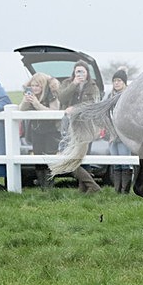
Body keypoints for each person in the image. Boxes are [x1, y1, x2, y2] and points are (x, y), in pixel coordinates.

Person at [58, 61, 101, 193]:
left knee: (82, 158)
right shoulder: (67, 83)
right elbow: (61, 98)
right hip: (68, 127)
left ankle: (84, 189)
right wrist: (74, 84)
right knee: (70, 158)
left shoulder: (93, 86)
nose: (80, 74)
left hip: (85, 127)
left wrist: (75, 109)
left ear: (87, 73)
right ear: (74, 72)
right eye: (78, 71)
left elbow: (93, 103)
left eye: (82, 71)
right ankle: (93, 186)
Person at [20, 72, 60, 190]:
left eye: (37, 86)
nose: (34, 88)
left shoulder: (51, 95)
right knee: (37, 158)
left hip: (51, 131)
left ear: (43, 86)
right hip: (36, 131)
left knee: (49, 158)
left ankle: (49, 187)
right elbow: (21, 109)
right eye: (32, 85)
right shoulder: (30, 94)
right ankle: (42, 186)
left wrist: (37, 104)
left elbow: (54, 111)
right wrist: (26, 100)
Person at [105, 69, 133, 193]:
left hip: (123, 134)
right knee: (116, 162)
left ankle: (125, 190)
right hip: (111, 133)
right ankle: (117, 189)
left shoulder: (128, 95)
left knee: (125, 162)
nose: (116, 83)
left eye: (119, 80)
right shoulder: (109, 96)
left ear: (124, 82)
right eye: (114, 81)